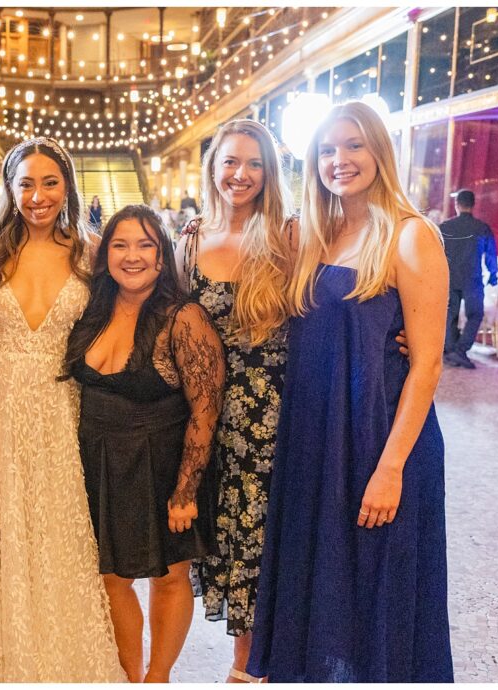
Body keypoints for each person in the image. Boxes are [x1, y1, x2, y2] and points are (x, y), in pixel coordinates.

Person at [248, 101, 453, 682]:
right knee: (319, 583)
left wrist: (391, 469)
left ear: (380, 151)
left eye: (355, 145)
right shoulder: (315, 233)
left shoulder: (411, 237)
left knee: (374, 591)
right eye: (329, 150)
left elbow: (428, 366)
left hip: (377, 437)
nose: (341, 160)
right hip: (314, 438)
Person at [0, 137, 125, 682]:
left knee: (59, 534)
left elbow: (140, 298)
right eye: (26, 183)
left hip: (62, 407)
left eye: (50, 182)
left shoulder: (91, 251)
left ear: (68, 187)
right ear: (9, 190)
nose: (38, 195)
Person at [66, 205, 224, 682]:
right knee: (112, 578)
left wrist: (185, 492)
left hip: (162, 463)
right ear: (105, 254)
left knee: (170, 575)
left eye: (145, 245)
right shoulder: (91, 309)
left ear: (163, 255)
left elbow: (205, 410)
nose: (131, 256)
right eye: (120, 244)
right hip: (98, 462)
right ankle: (130, 677)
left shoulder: (184, 317)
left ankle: (159, 677)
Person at [173, 119, 294, 683]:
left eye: (252, 163)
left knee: (272, 535)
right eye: (229, 162)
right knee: (229, 537)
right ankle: (246, 660)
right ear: (212, 166)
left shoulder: (292, 236)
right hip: (211, 415)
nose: (239, 174)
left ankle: (256, 666)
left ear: (268, 172)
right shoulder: (191, 239)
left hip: (279, 412)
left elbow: (347, 294)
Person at [440, 188, 498, 369]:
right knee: (476, 314)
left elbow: (436, 252)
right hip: (472, 278)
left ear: (456, 205)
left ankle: (450, 350)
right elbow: (491, 255)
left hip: (449, 278)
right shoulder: (482, 228)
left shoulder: (444, 227)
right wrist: (493, 274)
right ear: (473, 205)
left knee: (450, 314)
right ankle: (461, 350)